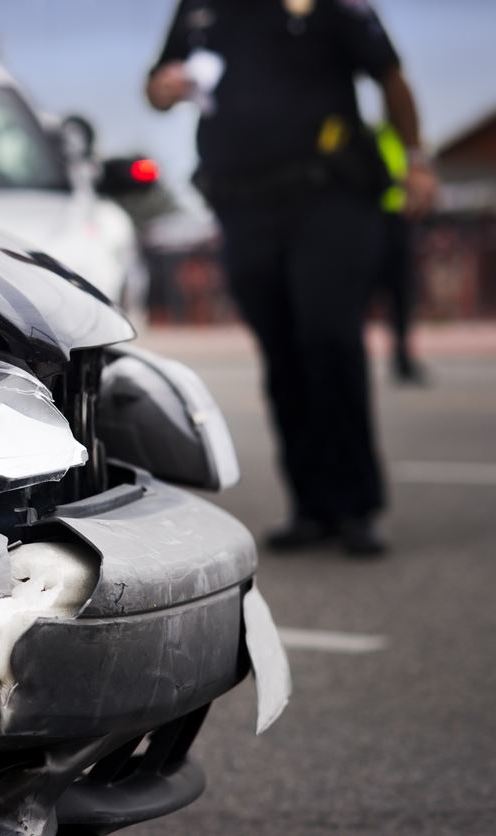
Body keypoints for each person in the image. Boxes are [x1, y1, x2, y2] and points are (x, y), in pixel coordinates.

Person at [146, 0, 438, 555]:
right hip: (242, 207)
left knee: (328, 337)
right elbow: (159, 88)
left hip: (328, 199)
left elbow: (390, 76)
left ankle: (356, 506)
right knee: (281, 352)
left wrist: (417, 160)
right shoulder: (202, 8)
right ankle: (311, 505)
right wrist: (164, 88)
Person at [375, 122, 429, 384]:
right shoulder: (376, 137)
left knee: (402, 298)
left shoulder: (405, 141)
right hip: (370, 221)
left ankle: (402, 360)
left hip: (398, 221)